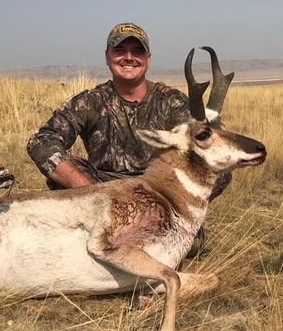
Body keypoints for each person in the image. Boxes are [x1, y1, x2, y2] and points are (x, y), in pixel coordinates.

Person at [27, 22, 228, 253]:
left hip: (159, 195)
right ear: (107, 56)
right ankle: (108, 233)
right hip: (104, 196)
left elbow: (211, 141)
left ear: (148, 59)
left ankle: (174, 225)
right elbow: (41, 141)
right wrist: (89, 190)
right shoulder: (90, 101)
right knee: (65, 172)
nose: (128, 57)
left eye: (137, 51)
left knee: (218, 168)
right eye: (120, 50)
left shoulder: (171, 101)